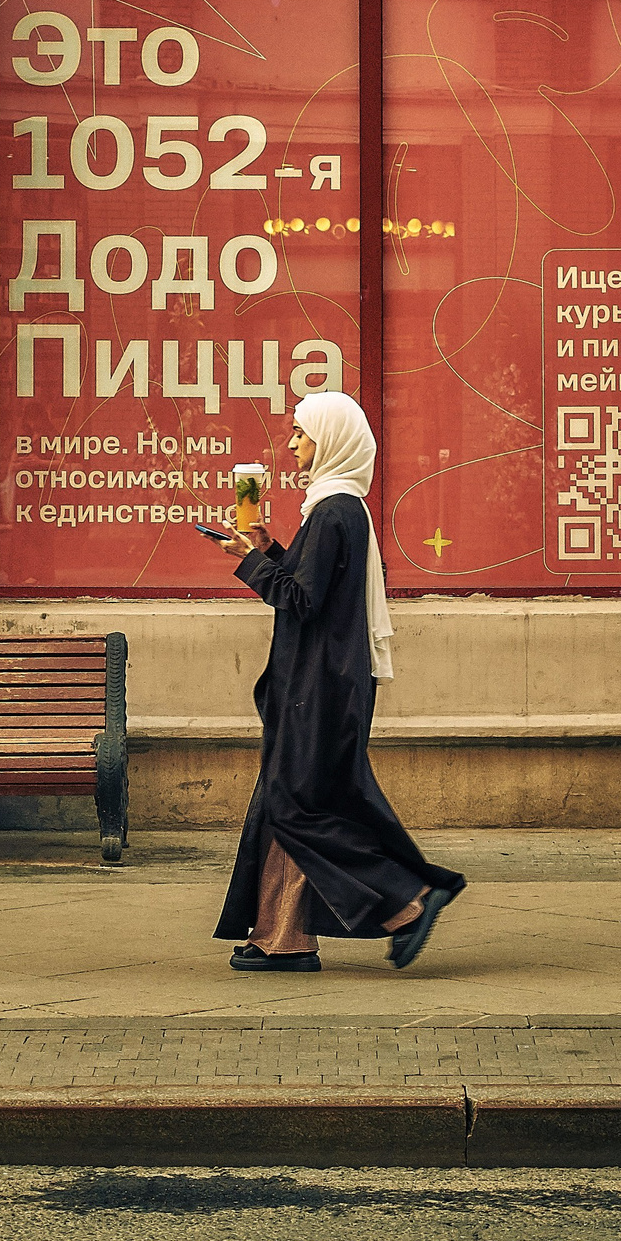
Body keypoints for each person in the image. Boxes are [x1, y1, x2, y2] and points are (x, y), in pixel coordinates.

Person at [207, 391, 465, 972]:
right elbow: (313, 586)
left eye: (301, 432)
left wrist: (249, 563)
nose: (292, 442)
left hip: (319, 685)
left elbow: (301, 600)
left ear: (330, 439)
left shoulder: (332, 510)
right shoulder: (336, 507)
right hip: (324, 681)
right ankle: (284, 937)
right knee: (296, 800)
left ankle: (409, 900)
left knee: (296, 805)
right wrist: (265, 548)